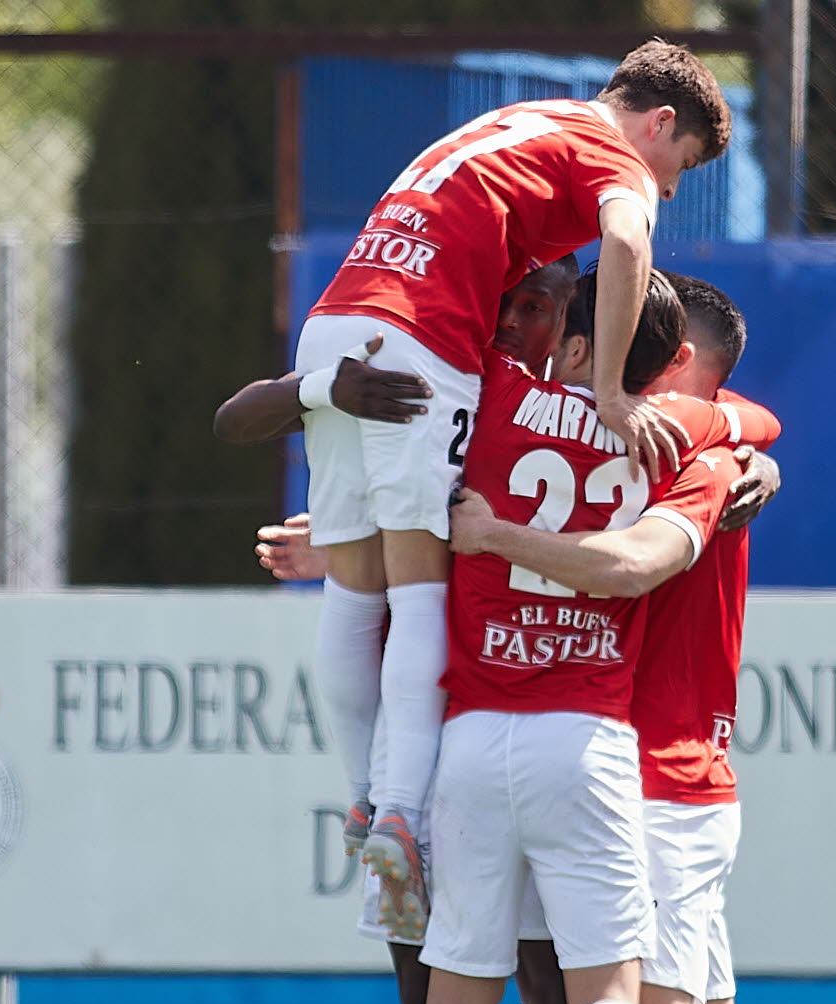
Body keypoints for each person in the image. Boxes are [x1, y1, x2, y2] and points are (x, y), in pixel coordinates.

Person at [395, 269, 777, 1004]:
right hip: (589, 742)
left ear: (576, 335)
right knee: (609, 999)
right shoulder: (691, 441)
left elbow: (407, 378)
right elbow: (731, 434)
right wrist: (736, 448)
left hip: (469, 737)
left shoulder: (494, 400)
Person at [293, 41, 733, 938]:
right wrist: (610, 391)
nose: (671, 186)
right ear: (658, 125)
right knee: (418, 590)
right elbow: (625, 238)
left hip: (337, 325)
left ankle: (360, 797)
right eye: (679, 165)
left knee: (351, 586)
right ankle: (401, 819)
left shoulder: (518, 121)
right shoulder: (616, 155)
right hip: (422, 340)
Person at [219, 261, 582, 1004]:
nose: (514, 317)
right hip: (419, 732)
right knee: (438, 993)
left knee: (542, 992)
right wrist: (323, 399)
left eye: (536, 302)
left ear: (568, 316)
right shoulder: (436, 381)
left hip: (503, 719)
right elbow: (241, 413)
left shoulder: (560, 412)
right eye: (503, 297)